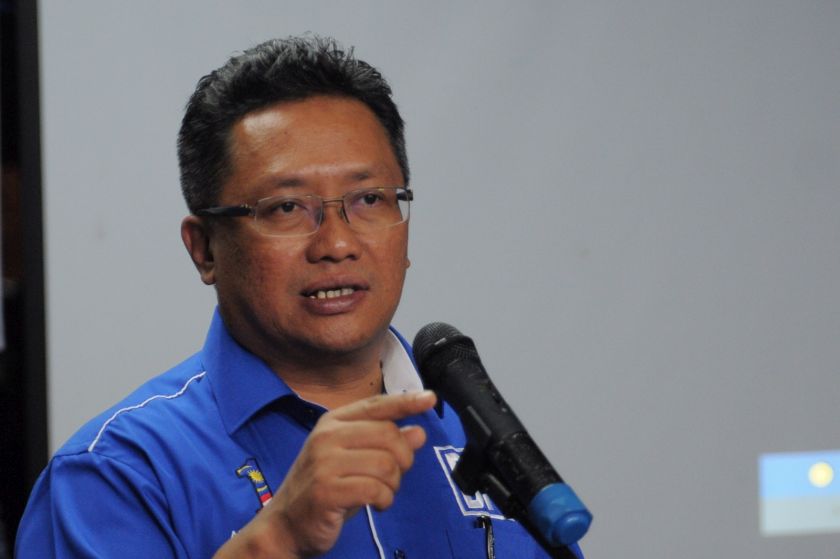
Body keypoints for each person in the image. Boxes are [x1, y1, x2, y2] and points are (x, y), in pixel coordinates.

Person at [16, 36, 584, 558]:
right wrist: (278, 538)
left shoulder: (477, 438)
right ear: (204, 249)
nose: (337, 243)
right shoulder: (117, 474)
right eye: (286, 208)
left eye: (369, 200)